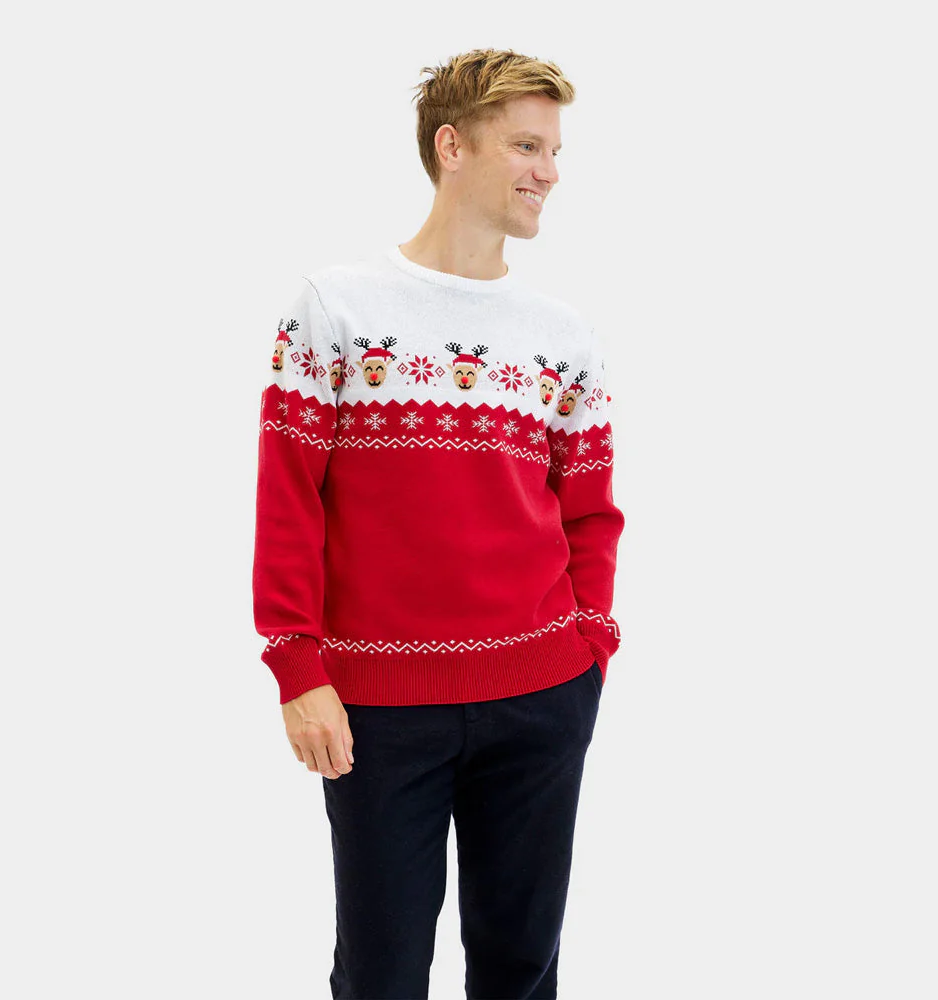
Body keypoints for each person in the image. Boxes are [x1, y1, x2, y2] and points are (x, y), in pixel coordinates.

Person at [252, 46, 625, 1000]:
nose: (550, 171)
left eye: (555, 150)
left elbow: (589, 509)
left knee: (520, 971)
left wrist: (590, 650)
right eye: (527, 146)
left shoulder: (563, 335)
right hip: (377, 709)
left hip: (542, 696)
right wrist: (298, 665)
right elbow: (288, 499)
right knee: (380, 977)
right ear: (452, 147)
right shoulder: (335, 308)